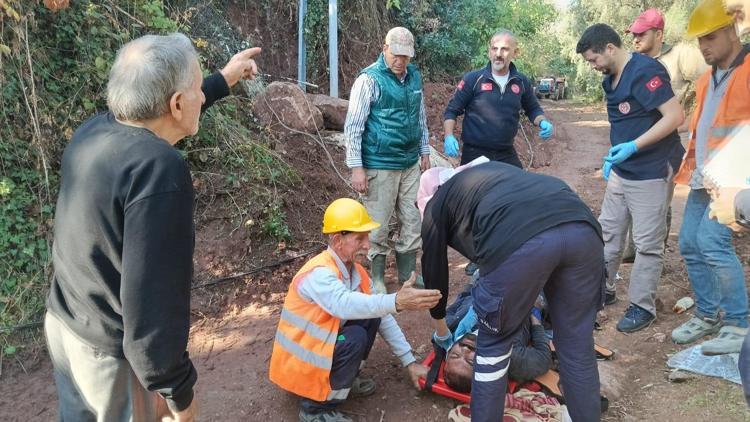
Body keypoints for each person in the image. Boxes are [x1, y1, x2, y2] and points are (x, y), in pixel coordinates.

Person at [46, 33, 260, 421]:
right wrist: (178, 395)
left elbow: (166, 109)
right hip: (111, 357)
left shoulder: (94, 132)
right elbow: (153, 302)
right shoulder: (159, 171)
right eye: (196, 88)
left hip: (67, 322)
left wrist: (222, 80)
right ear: (177, 104)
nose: (200, 95)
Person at [419, 160, 605, 422]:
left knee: (492, 350)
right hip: (582, 228)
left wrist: (440, 325)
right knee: (576, 347)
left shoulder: (436, 204)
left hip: (524, 243)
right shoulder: (489, 175)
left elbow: (434, 273)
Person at [268, 198, 441, 422]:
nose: (368, 245)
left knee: (371, 318)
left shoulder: (355, 272)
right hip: (301, 368)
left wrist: (410, 362)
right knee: (355, 336)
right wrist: (397, 301)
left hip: (315, 355)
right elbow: (344, 304)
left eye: (367, 236)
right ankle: (315, 409)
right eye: (360, 238)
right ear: (338, 240)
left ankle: (343, 382)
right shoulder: (319, 273)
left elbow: (380, 315)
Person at [576, 24, 684, 333]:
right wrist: (615, 153)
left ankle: (642, 306)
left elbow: (675, 116)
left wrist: (635, 146)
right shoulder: (610, 80)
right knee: (608, 233)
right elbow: (624, 122)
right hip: (623, 171)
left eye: (594, 60)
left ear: (610, 48)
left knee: (648, 243)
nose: (593, 67)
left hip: (651, 169)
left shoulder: (645, 71)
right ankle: (603, 289)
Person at [671, 0, 750, 355]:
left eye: (711, 37)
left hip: (736, 179)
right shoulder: (706, 79)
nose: (704, 46)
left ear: (733, 30)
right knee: (689, 241)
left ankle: (738, 323)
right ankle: (707, 313)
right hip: (706, 177)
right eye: (699, 40)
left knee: (712, 242)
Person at [344, 27, 430, 294]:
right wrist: (357, 168)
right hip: (379, 164)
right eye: (396, 54)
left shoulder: (414, 78)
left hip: (409, 163)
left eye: (405, 56)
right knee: (377, 225)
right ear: (385, 49)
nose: (400, 61)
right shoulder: (369, 79)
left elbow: (420, 117)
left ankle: (408, 275)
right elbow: (353, 126)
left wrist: (425, 151)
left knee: (412, 221)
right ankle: (377, 279)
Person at [618, 8, 709, 263]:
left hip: (670, 139)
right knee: (632, 193)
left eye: (640, 33)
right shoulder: (633, 61)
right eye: (633, 34)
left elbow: (713, 82)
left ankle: (653, 255)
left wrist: (690, 120)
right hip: (639, 142)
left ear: (659, 34)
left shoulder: (681, 55)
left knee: (659, 200)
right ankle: (633, 248)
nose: (635, 39)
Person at [442, 30, 554, 168]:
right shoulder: (473, 79)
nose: (498, 54)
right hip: (475, 154)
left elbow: (533, 109)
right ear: (489, 52)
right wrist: (448, 136)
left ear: (515, 52)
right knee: (475, 190)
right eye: (494, 48)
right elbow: (451, 110)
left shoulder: (521, 82)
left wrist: (542, 122)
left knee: (519, 187)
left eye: (505, 49)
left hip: (506, 154)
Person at [439, 285, 552, 393]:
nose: (465, 350)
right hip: (529, 291)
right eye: (471, 361)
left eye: (455, 355)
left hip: (489, 280)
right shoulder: (510, 356)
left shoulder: (452, 327)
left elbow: (457, 305)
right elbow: (543, 358)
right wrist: (535, 313)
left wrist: (471, 285)